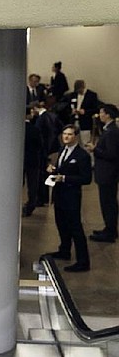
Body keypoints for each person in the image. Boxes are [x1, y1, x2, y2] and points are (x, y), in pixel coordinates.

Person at [46, 125, 92, 272]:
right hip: (59, 195)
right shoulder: (62, 150)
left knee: (75, 228)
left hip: (71, 197)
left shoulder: (82, 155)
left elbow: (86, 178)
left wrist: (65, 178)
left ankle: (83, 261)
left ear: (76, 136)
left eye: (70, 134)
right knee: (61, 224)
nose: (66, 137)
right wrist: (53, 170)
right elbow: (61, 168)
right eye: (64, 134)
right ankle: (64, 250)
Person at [86, 103, 119, 243]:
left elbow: (112, 154)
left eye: (101, 113)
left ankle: (110, 231)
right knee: (107, 202)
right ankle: (109, 228)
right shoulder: (108, 130)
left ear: (108, 114)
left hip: (108, 173)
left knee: (108, 203)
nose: (99, 115)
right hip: (106, 172)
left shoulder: (112, 132)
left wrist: (95, 149)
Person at [65, 79, 99, 146]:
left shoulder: (92, 95)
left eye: (79, 90)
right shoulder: (73, 95)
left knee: (85, 142)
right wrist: (72, 111)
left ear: (83, 87)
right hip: (74, 121)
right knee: (75, 142)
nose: (78, 92)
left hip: (85, 122)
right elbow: (68, 107)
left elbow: (96, 109)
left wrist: (85, 112)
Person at [23, 108, 43, 217]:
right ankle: (31, 204)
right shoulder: (34, 129)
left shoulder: (16, 129)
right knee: (32, 184)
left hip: (20, 161)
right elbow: (40, 145)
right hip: (32, 159)